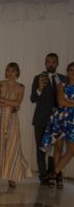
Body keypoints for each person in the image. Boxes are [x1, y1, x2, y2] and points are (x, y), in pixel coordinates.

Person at [0, 62, 30, 187]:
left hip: (12, 119)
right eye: (8, 70)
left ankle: (12, 175)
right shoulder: (0, 83)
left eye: (12, 71)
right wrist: (11, 103)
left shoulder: (21, 87)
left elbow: (18, 103)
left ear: (17, 72)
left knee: (12, 146)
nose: (10, 73)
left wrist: (4, 100)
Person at [31, 53, 66, 185]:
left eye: (53, 61)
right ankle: (43, 176)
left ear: (57, 63)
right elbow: (33, 98)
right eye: (48, 61)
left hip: (58, 120)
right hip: (41, 119)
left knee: (55, 150)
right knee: (41, 149)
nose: (51, 64)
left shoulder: (63, 79)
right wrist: (39, 88)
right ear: (45, 63)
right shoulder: (38, 78)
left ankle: (54, 173)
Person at [41, 61, 74, 189]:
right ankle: (58, 176)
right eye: (70, 70)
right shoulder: (62, 85)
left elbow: (64, 102)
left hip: (72, 122)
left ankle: (54, 173)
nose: (73, 72)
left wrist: (67, 101)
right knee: (58, 149)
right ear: (67, 71)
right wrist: (69, 102)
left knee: (71, 151)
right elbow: (60, 101)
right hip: (60, 120)